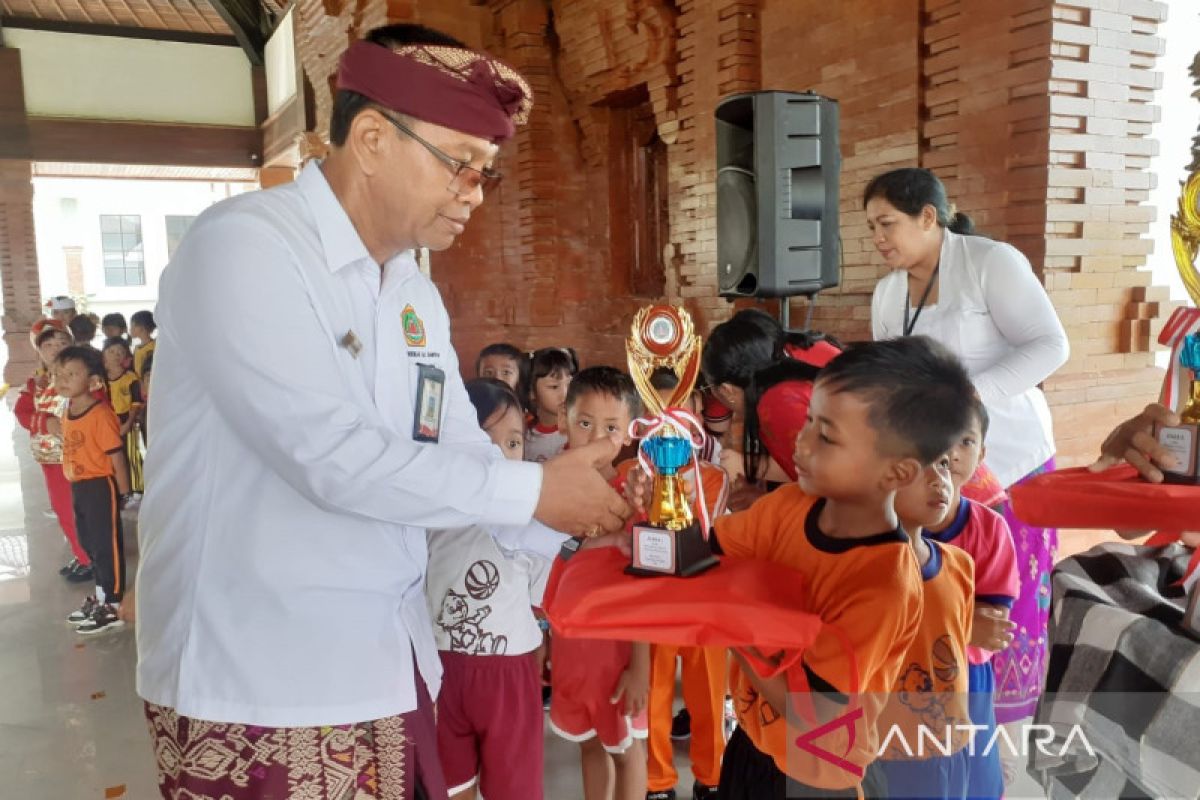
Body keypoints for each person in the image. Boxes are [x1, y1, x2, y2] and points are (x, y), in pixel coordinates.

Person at [136, 23, 628, 800]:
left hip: (390, 658)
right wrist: (536, 492)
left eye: (485, 174)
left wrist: (581, 511)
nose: (473, 193)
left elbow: (458, 450)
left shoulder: (409, 288)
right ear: (370, 137)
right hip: (262, 677)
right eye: (460, 166)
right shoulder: (245, 250)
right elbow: (330, 459)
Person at [709, 336, 975, 799]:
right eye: (809, 419)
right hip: (754, 745)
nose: (801, 440)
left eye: (826, 435)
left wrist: (732, 623)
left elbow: (807, 708)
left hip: (817, 777)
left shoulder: (884, 583)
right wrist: (660, 504)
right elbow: (712, 552)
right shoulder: (788, 505)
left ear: (895, 473)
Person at [866, 167, 1070, 759]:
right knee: (945, 585)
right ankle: (946, 709)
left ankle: (1008, 736)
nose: (879, 238)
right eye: (873, 227)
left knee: (1010, 597)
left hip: (1008, 460)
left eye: (888, 224)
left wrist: (967, 398)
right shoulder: (888, 291)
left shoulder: (990, 262)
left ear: (929, 217)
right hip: (935, 470)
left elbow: (1050, 344)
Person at [426, 379, 561, 800]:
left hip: (509, 672)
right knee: (451, 785)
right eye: (488, 441)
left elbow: (543, 599)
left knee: (513, 788)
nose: (504, 455)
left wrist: (548, 643)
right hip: (439, 669)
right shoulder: (426, 511)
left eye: (514, 442)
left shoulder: (532, 519)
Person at [549, 367, 650, 800]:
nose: (594, 438)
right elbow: (545, 571)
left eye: (610, 428)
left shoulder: (634, 496)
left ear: (628, 434)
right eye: (584, 423)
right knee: (588, 743)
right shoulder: (544, 491)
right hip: (572, 649)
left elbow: (647, 591)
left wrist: (641, 666)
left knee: (627, 750)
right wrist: (545, 644)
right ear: (561, 421)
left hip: (618, 649)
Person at [925, 398, 1018, 799]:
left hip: (965, 678)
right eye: (938, 440)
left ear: (981, 454)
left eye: (965, 442)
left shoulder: (990, 529)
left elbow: (992, 627)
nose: (950, 453)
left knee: (973, 775)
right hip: (899, 676)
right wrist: (963, 623)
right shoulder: (886, 523)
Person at [641, 368, 727, 800]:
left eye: (680, 407)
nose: (670, 420)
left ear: (696, 412)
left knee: (709, 695)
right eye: (658, 409)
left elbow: (718, 534)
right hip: (653, 602)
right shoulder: (635, 474)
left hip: (705, 600)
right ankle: (657, 781)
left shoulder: (716, 477)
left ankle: (711, 777)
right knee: (653, 692)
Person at [875, 455, 974, 800]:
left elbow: (956, 652)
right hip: (876, 754)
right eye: (917, 466)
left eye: (943, 463)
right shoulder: (855, 575)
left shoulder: (960, 565)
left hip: (947, 749)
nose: (939, 479)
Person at [700, 309, 840, 502]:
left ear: (727, 390)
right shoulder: (785, 349)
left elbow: (823, 482)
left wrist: (747, 467)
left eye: (712, 389)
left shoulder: (776, 403)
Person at [56, 346, 131, 635]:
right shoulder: (68, 409)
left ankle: (112, 604)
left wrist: (125, 494)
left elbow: (117, 457)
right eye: (58, 374)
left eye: (72, 374)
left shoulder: (100, 414)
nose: (62, 380)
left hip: (100, 486)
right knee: (88, 543)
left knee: (105, 546)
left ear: (93, 380)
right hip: (79, 485)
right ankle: (100, 598)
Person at [14, 321, 92, 581]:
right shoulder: (36, 383)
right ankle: (83, 554)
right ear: (39, 351)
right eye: (47, 345)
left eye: (62, 343)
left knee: (83, 509)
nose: (55, 349)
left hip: (81, 455)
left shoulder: (86, 376)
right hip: (51, 458)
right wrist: (45, 421)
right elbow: (23, 412)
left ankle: (90, 558)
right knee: (63, 509)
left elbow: (97, 407)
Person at [102, 338, 145, 499]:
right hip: (108, 421)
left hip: (127, 420)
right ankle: (117, 488)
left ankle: (136, 490)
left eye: (120, 352)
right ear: (104, 354)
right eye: (111, 351)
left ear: (126, 355)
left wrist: (128, 422)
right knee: (113, 456)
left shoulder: (130, 378)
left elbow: (135, 403)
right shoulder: (101, 378)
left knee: (131, 454)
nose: (116, 355)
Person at [525, 346, 578, 463]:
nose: (565, 393)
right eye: (554, 386)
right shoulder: (522, 433)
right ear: (531, 392)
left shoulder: (578, 432)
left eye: (569, 384)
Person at [130, 310, 157, 380]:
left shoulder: (153, 346)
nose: (130, 329)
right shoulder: (137, 347)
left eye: (133, 326)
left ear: (142, 328)